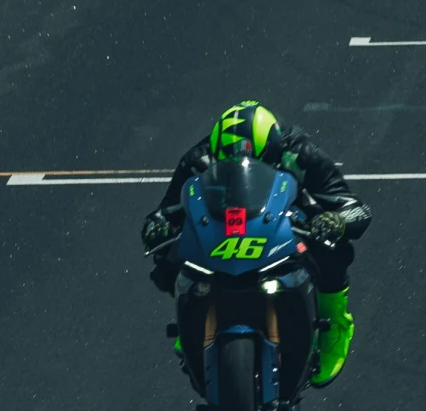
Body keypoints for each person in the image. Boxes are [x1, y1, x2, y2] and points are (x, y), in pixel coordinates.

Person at [141, 101, 371, 386]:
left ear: (273, 150)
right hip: (224, 232)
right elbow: (163, 212)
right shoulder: (200, 158)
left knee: (334, 248)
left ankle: (335, 322)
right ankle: (191, 316)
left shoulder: (300, 151)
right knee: (168, 253)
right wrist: (158, 228)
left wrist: (335, 221)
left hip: (285, 227)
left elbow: (355, 208)